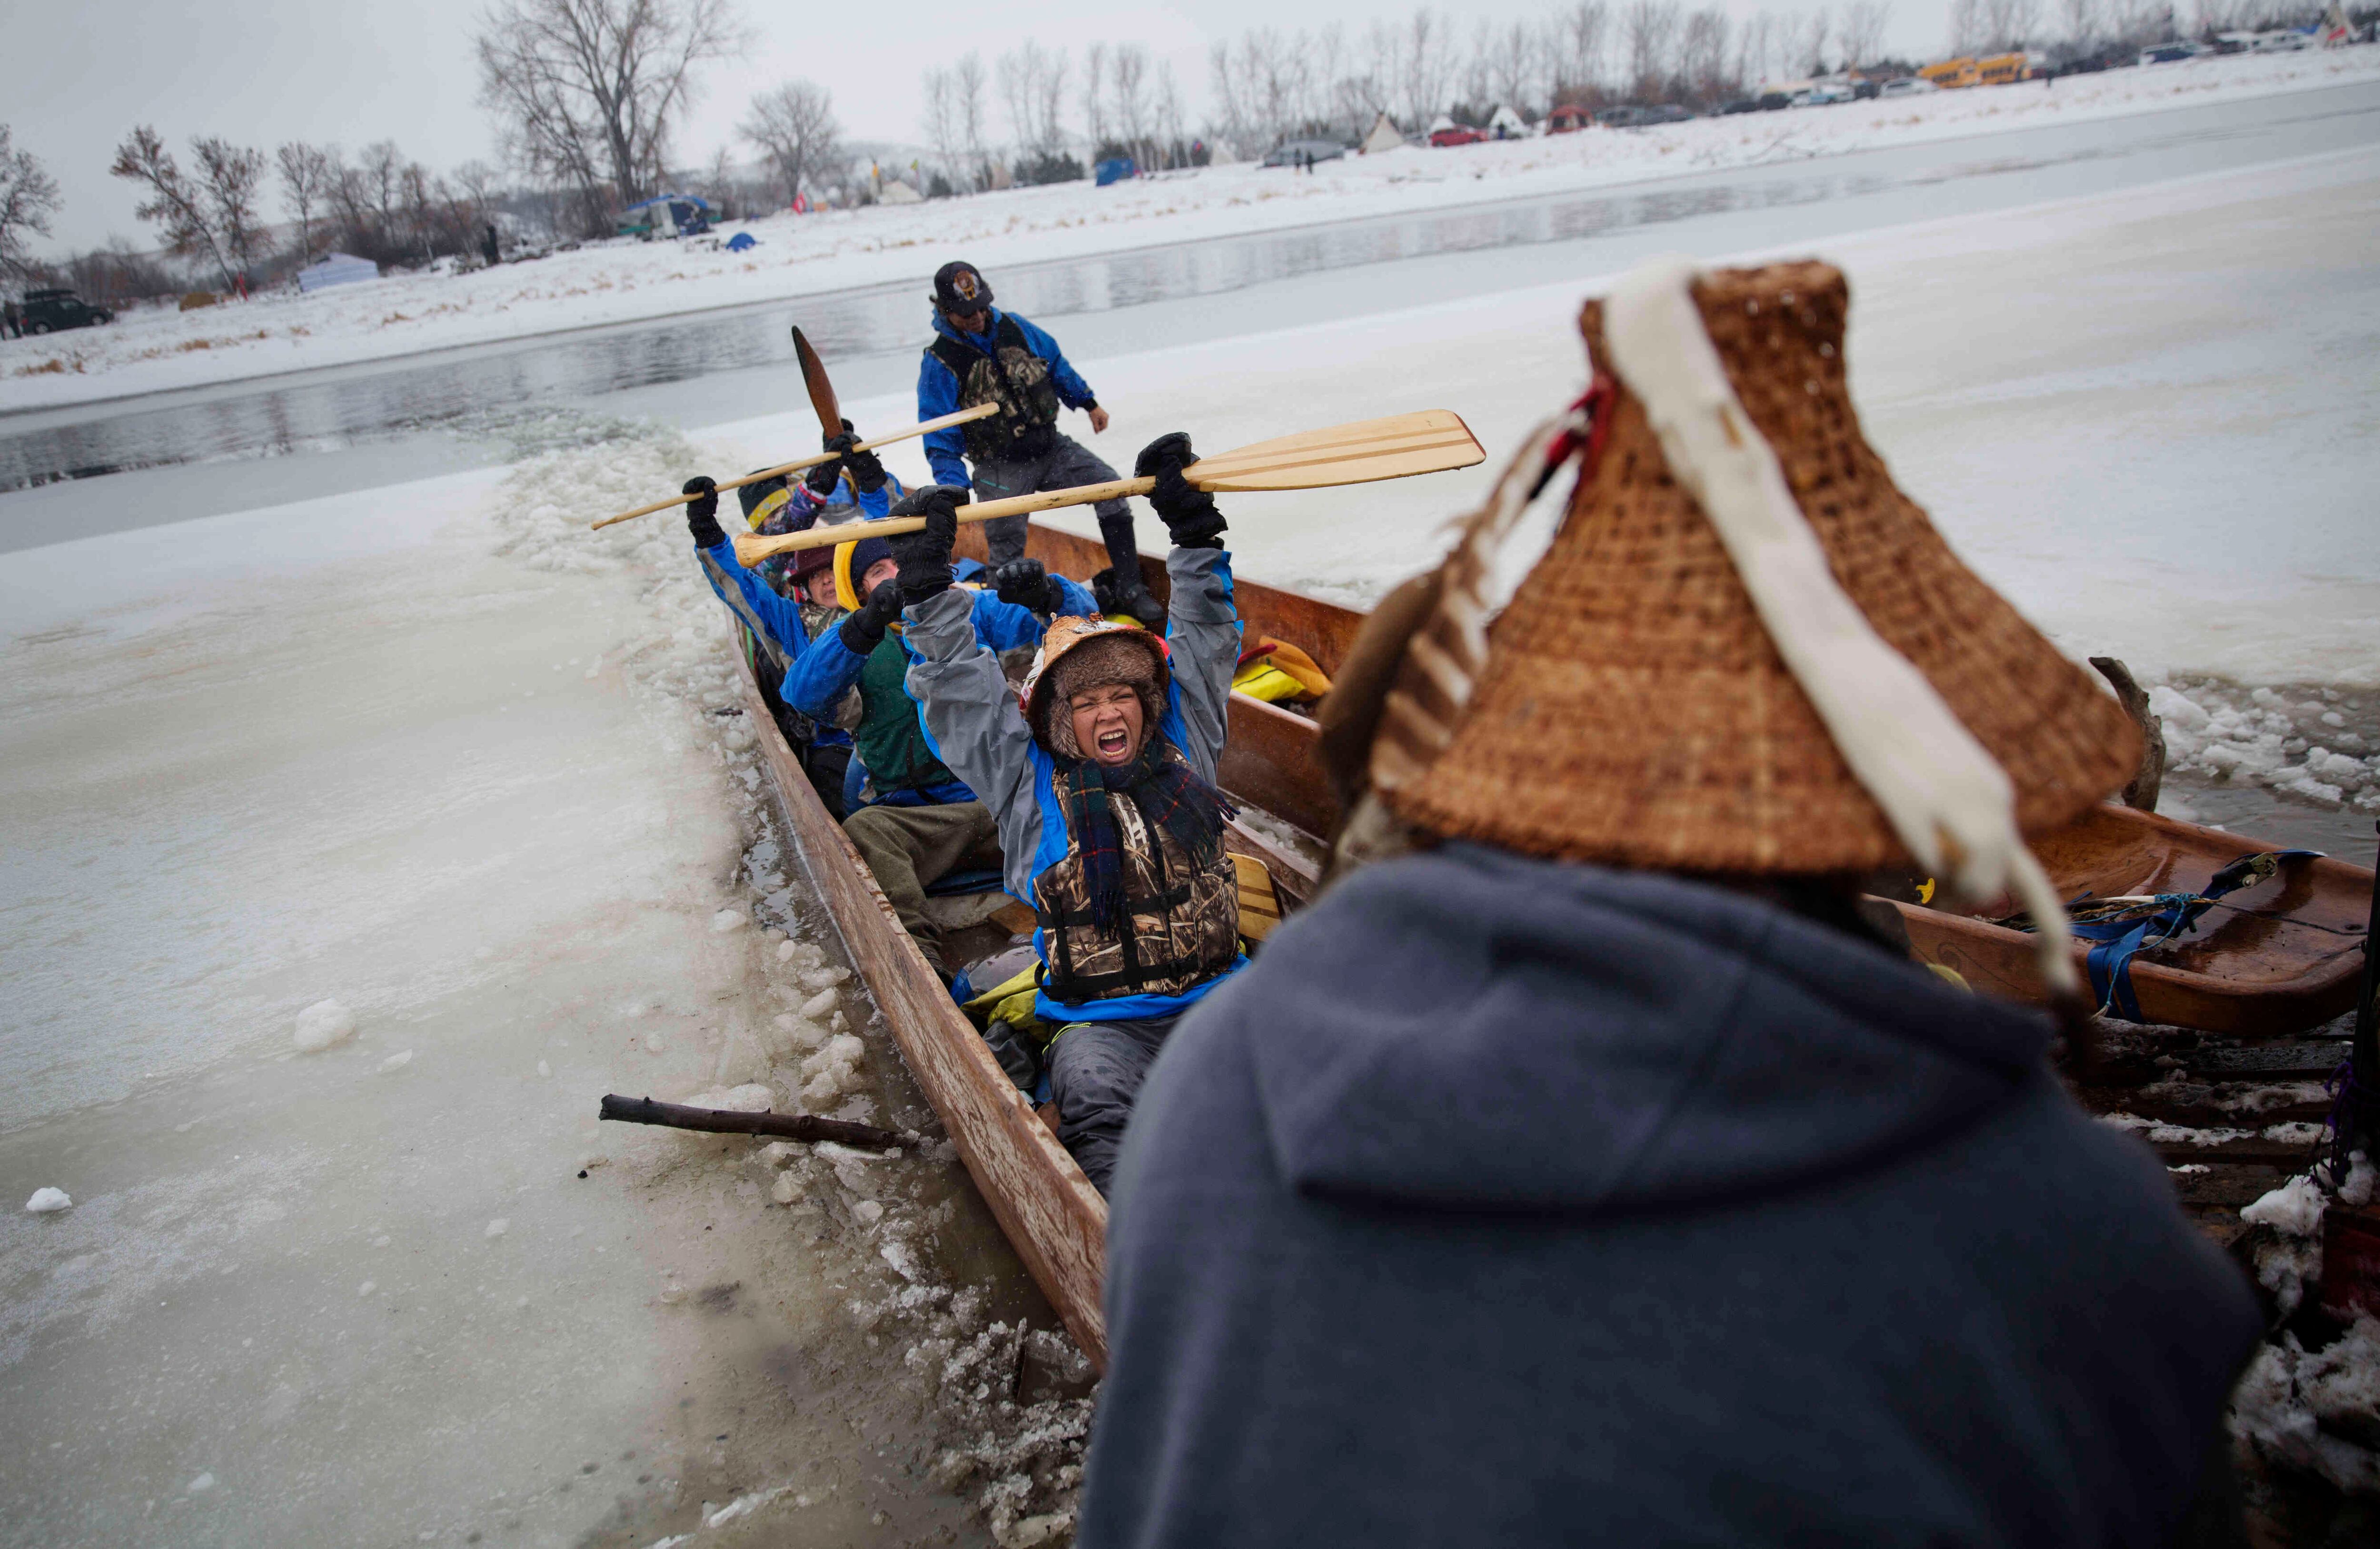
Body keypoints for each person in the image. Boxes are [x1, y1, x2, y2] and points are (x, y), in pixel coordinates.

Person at [1075, 261, 2261, 1546]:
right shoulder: (2082, 1240)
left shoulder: (1219, 1085)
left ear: (1540, 735)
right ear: (1896, 773)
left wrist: (1185, 551)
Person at [901, 434, 1243, 1192]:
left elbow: (1208, 637)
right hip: (1102, 1024)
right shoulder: (1025, 781)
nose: (1109, 710)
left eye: (1122, 693)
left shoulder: (1187, 741)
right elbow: (960, 692)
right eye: (1086, 701)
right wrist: (928, 594)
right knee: (1094, 1103)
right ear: (1061, 721)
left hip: (1223, 995)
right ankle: (1130, 1258)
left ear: (1145, 703)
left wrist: (1192, 535)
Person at [772, 497, 1100, 977]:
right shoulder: (854, 639)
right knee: (865, 833)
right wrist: (864, 626)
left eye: (900, 563)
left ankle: (1093, 911)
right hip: (922, 819)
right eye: (881, 570)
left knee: (1088, 788)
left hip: (1001, 801)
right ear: (862, 590)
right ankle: (925, 974)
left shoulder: (969, 607)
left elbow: (1081, 622)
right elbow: (802, 694)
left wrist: (1048, 594)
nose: (896, 576)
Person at [914, 259, 1167, 627]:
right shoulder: (939, 362)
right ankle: (1010, 628)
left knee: (1112, 488)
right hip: (999, 466)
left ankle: (1130, 587)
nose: (978, 316)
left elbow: (1056, 364)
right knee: (1005, 550)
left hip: (1052, 447)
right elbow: (939, 435)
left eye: (981, 306)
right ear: (946, 311)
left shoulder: (1016, 326)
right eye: (967, 312)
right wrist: (954, 486)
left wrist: (1088, 402)